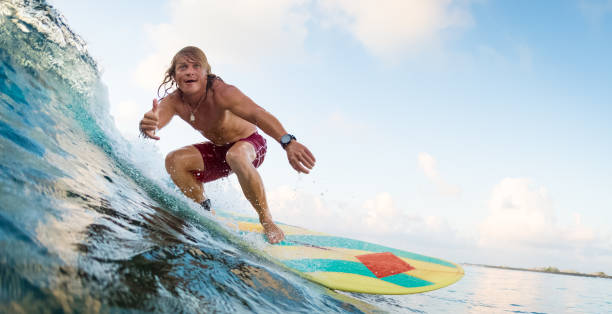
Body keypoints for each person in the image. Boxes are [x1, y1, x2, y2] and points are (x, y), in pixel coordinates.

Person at [138, 46, 315, 244]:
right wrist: (148, 126)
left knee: (236, 155)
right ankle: (204, 212)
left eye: (196, 66)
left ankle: (267, 220)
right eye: (183, 67)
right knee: (174, 160)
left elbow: (258, 114)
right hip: (219, 151)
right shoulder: (174, 101)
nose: (189, 71)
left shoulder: (223, 93)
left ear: (206, 73)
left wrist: (288, 142)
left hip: (250, 145)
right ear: (174, 74)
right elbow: (156, 120)